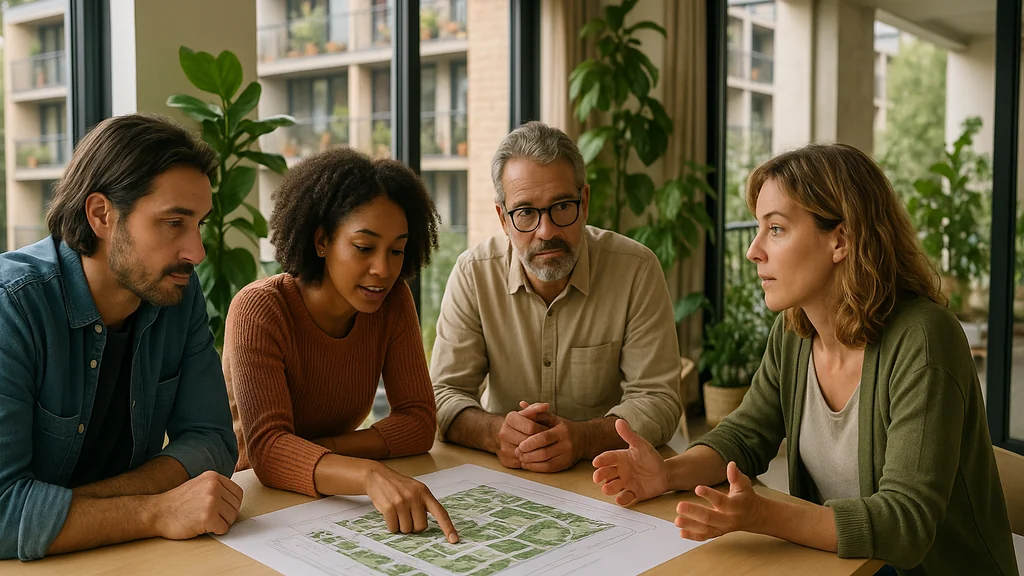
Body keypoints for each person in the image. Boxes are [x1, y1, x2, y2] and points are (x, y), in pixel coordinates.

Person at [592, 143, 1018, 574]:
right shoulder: (796, 330)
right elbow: (745, 436)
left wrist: (764, 515)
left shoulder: (924, 339)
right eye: (759, 228)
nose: (753, 250)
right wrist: (666, 473)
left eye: (775, 229)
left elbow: (905, 524)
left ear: (841, 239)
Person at [0, 114, 241, 561]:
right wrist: (153, 512)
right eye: (174, 223)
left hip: (120, 558)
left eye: (200, 225)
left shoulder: (176, 293)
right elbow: (2, 511)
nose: (197, 252)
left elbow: (213, 439)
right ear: (101, 215)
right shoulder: (12, 307)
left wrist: (88, 507)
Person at [223, 148, 457, 543]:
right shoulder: (259, 310)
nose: (383, 270)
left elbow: (418, 423)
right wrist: (365, 472)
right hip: (251, 504)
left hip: (326, 497)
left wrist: (326, 453)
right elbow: (268, 453)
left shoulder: (392, 301)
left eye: (396, 250)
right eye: (364, 248)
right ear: (321, 241)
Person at [431, 121, 682, 474]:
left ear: (585, 201)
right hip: (505, 475)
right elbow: (442, 395)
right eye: (525, 213)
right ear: (503, 219)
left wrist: (583, 439)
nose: (546, 231)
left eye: (562, 207)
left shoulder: (636, 270)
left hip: (604, 473)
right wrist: (494, 433)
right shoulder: (474, 274)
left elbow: (659, 399)